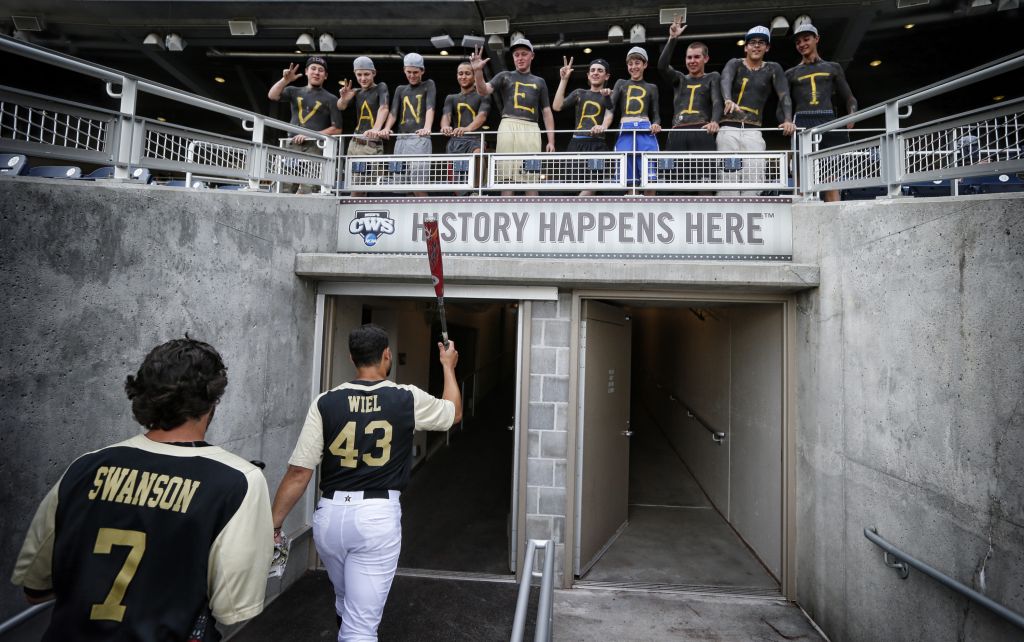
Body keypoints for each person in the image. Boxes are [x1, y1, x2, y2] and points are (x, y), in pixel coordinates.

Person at [11, 337, 273, 641]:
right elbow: (233, 608)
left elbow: (35, 590)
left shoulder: (83, 468)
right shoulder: (239, 481)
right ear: (213, 401)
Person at [270, 324, 462, 642]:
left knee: (346, 601)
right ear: (387, 356)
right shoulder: (405, 398)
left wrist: (274, 524)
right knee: (361, 627)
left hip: (329, 517)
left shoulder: (325, 402)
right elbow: (453, 413)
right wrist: (448, 367)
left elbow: (298, 472)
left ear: (351, 357)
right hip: (376, 516)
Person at [470, 39, 556, 196]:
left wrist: (551, 140)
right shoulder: (505, 76)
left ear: (532, 56)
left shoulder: (539, 81)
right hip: (508, 126)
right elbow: (483, 90)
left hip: (531, 129)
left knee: (531, 179)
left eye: (524, 54)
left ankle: (534, 218)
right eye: (516, 55)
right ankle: (506, 218)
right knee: (506, 179)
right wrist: (477, 72)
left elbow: (546, 111)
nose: (520, 58)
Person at [783, 23, 858, 202]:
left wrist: (853, 114)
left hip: (828, 121)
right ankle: (803, 226)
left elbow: (849, 97)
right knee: (802, 182)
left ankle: (835, 225)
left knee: (830, 182)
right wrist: (786, 119)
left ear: (817, 39)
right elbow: (784, 102)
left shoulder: (833, 67)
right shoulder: (790, 73)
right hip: (802, 122)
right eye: (798, 42)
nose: (802, 44)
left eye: (806, 39)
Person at [718, 26, 794, 196]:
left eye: (761, 43)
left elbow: (784, 95)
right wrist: (728, 99)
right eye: (752, 42)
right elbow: (725, 79)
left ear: (767, 47)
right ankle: (727, 217)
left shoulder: (773, 68)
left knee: (754, 177)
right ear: (746, 47)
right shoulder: (735, 63)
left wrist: (788, 119)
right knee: (727, 179)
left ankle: (752, 216)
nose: (756, 46)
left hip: (753, 129)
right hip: (729, 128)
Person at [658, 17, 722, 190]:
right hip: (678, 131)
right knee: (674, 184)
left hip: (702, 130)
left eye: (696, 57)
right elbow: (662, 66)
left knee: (705, 184)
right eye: (689, 57)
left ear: (706, 59)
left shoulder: (712, 77)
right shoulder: (679, 78)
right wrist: (672, 39)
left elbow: (717, 101)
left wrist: (715, 121)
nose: (692, 61)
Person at [267, 56, 344, 194]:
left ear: (325, 76)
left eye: (321, 70)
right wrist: (285, 80)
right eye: (313, 69)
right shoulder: (293, 91)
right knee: (284, 186)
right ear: (307, 71)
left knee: (310, 188)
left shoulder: (331, 98)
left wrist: (310, 136)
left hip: (315, 147)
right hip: (292, 145)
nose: (316, 73)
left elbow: (337, 129)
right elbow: (272, 96)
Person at [552, 56, 614, 196]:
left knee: (594, 184)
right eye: (592, 70)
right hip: (576, 144)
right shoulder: (579, 93)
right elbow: (556, 106)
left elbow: (609, 115)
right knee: (573, 185)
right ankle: (577, 211)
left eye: (600, 70)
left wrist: (602, 126)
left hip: (598, 146)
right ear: (588, 75)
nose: (595, 73)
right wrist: (564, 79)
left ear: (606, 76)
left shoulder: (610, 94)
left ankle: (575, 209)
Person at [379, 53, 436, 197]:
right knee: (402, 185)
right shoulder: (400, 89)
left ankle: (426, 217)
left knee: (418, 185)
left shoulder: (428, 84)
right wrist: (386, 128)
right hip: (401, 140)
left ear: (422, 71)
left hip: (419, 138)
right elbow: (393, 112)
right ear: (404, 70)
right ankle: (409, 218)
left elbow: (430, 107)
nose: (412, 75)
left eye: (416, 72)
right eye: (409, 72)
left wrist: (427, 127)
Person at [609, 46, 662, 195]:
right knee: (630, 180)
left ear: (645, 64)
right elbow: (610, 108)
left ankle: (650, 213)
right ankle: (634, 214)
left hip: (645, 129)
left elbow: (656, 113)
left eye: (637, 63)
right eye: (630, 63)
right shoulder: (620, 83)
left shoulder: (652, 87)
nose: (633, 67)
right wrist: (606, 97)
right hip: (625, 128)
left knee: (649, 179)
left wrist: (656, 123)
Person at [337, 56, 390, 196]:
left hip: (370, 143)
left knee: (361, 186)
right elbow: (340, 107)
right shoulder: (356, 91)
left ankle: (355, 214)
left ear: (374, 73)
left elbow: (384, 108)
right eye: (359, 75)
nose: (363, 78)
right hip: (354, 142)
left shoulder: (381, 87)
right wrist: (343, 98)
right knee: (351, 184)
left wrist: (376, 128)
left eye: (366, 74)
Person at [440, 60, 491, 189]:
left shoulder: (483, 95)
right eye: (460, 73)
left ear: (474, 76)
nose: (463, 76)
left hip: (475, 139)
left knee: (478, 153)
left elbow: (482, 116)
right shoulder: (451, 98)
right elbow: (446, 116)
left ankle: (477, 190)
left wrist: (467, 128)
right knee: (456, 183)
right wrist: (445, 126)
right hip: (456, 140)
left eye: (467, 73)